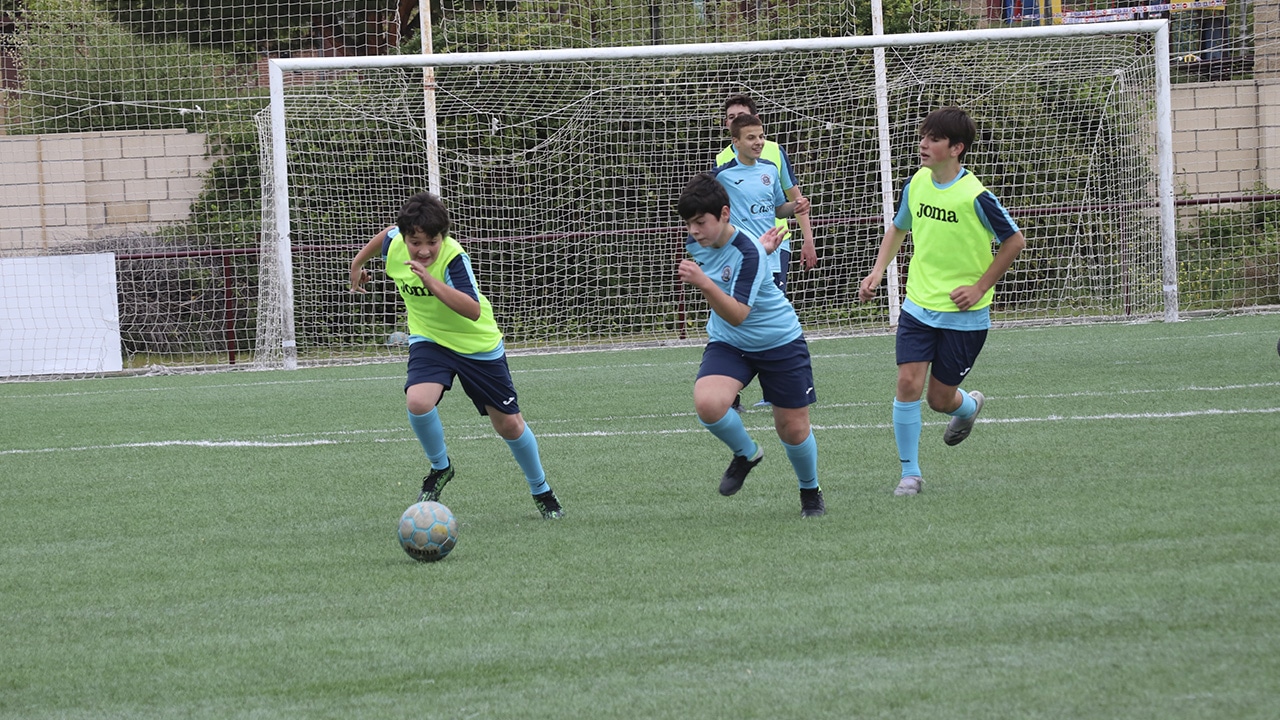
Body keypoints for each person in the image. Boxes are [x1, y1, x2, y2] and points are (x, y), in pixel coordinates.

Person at [349, 191, 564, 519]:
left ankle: (541, 489)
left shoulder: (453, 258)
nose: (423, 250)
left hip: (476, 345)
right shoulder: (395, 242)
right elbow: (384, 237)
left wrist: (430, 281)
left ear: (442, 237)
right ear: (405, 236)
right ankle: (441, 467)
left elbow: (473, 310)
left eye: (432, 241)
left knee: (508, 425)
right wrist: (357, 264)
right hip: (430, 340)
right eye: (415, 241)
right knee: (418, 402)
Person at [857, 106, 1026, 497]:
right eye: (923, 137)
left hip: (965, 317)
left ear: (956, 148)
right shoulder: (916, 183)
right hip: (918, 305)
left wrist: (980, 287)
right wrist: (878, 270)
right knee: (907, 383)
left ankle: (966, 408)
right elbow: (898, 228)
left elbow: (1014, 241)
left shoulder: (977, 195)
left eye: (933, 139)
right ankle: (910, 474)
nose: (923, 144)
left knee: (939, 399)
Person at [676, 172, 824, 518]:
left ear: (724, 214)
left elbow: (739, 313)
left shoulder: (750, 253)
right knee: (709, 404)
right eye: (689, 223)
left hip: (778, 341)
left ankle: (810, 492)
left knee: (793, 429)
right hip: (730, 343)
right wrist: (756, 247)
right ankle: (746, 453)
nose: (694, 231)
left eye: (701, 222)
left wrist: (704, 284)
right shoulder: (699, 242)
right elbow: (728, 266)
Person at [716, 111, 812, 410]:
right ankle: (729, 392)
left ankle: (777, 390)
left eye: (761, 136)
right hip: (741, 260)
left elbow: (777, 209)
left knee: (771, 323)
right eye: (751, 138)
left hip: (770, 260)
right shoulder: (722, 176)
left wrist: (795, 206)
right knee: (735, 322)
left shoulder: (770, 169)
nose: (758, 142)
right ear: (736, 142)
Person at [716, 93, 817, 291]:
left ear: (756, 119)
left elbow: (794, 199)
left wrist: (808, 240)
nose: (737, 120)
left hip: (776, 243)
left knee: (774, 306)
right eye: (731, 117)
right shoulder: (721, 164)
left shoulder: (773, 153)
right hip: (740, 245)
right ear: (727, 124)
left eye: (742, 115)